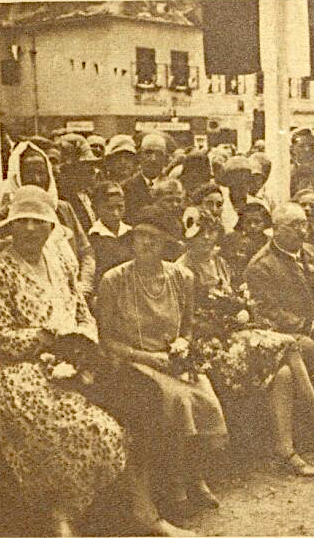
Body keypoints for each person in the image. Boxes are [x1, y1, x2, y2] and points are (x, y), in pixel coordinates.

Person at [0, 185, 127, 536]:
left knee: (132, 401)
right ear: (10, 226)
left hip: (69, 358)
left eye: (38, 221)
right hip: (13, 371)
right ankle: (61, 515)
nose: (30, 229)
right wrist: (46, 338)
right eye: (22, 221)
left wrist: (84, 342)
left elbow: (81, 311)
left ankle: (116, 510)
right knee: (85, 428)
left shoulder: (59, 263)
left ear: (51, 227)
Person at [177, 210, 314, 477]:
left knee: (283, 374)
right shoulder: (183, 270)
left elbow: (237, 298)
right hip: (208, 346)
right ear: (187, 240)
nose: (206, 242)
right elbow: (187, 320)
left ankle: (286, 451)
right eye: (200, 237)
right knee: (291, 345)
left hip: (234, 336)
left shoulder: (218, 262)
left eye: (211, 235)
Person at [96, 205, 228, 524]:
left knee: (207, 401)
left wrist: (183, 343)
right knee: (178, 401)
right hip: (133, 361)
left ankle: (196, 477)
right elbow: (106, 340)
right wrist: (146, 357)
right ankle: (176, 488)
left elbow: (188, 325)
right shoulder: (114, 280)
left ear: (166, 244)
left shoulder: (182, 277)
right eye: (140, 237)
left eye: (154, 239)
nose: (146, 244)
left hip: (173, 359)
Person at [0, 142, 96, 299]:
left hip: (75, 293)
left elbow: (86, 251)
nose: (37, 179)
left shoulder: (63, 209)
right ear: (18, 176)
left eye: (42, 173)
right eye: (29, 173)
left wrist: (83, 284)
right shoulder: (6, 217)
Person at [244, 203, 314, 376]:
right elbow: (270, 313)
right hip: (296, 333)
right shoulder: (261, 265)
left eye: (304, 224)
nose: (302, 231)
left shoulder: (310, 251)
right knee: (309, 347)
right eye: (294, 225)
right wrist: (313, 328)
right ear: (276, 229)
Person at [87, 181, 132, 288]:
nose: (116, 213)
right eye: (109, 208)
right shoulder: (91, 238)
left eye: (120, 207)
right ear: (96, 208)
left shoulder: (132, 233)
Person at [56, 133, 100, 231]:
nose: (91, 170)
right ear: (68, 168)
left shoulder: (88, 194)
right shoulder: (62, 198)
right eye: (84, 165)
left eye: (91, 164)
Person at [123, 132, 168, 224]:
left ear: (165, 159)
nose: (153, 159)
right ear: (139, 156)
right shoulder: (126, 188)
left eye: (159, 154)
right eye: (148, 153)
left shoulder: (172, 187)